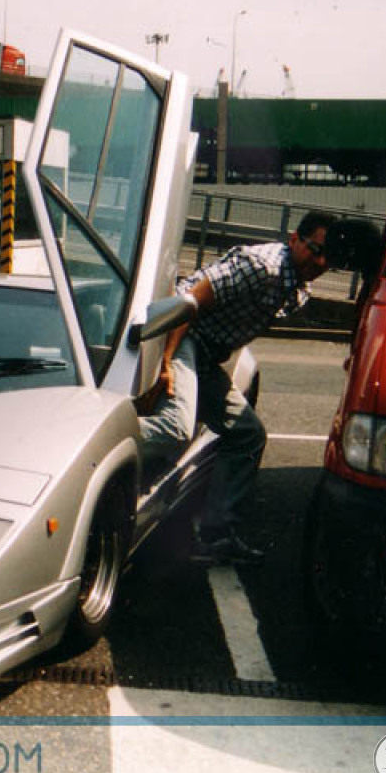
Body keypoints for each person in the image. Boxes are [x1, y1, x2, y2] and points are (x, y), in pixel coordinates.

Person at [139, 211, 336, 565]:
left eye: (328, 257)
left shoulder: (297, 288)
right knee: (176, 428)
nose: (320, 262)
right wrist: (165, 362)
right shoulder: (262, 266)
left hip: (205, 356)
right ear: (294, 239)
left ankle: (213, 535)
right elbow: (190, 300)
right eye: (314, 249)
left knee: (247, 434)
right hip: (183, 333)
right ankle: (92, 445)